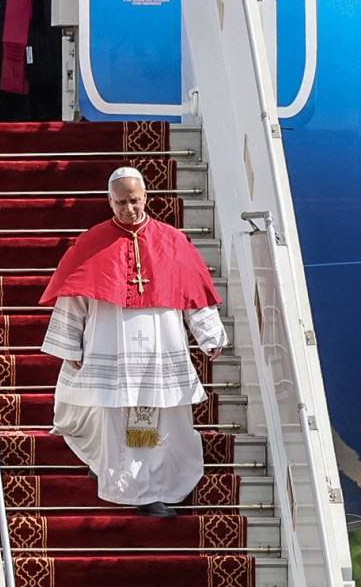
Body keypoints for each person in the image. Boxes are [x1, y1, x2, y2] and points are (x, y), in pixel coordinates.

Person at [41, 167, 226, 517]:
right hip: (109, 345)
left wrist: (209, 334)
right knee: (110, 417)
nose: (129, 208)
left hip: (160, 347)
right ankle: (124, 478)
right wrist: (70, 345)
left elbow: (192, 290)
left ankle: (150, 489)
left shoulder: (172, 240)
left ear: (146, 198)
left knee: (154, 419)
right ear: (110, 201)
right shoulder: (93, 242)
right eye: (121, 202)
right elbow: (74, 297)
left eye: (135, 200)